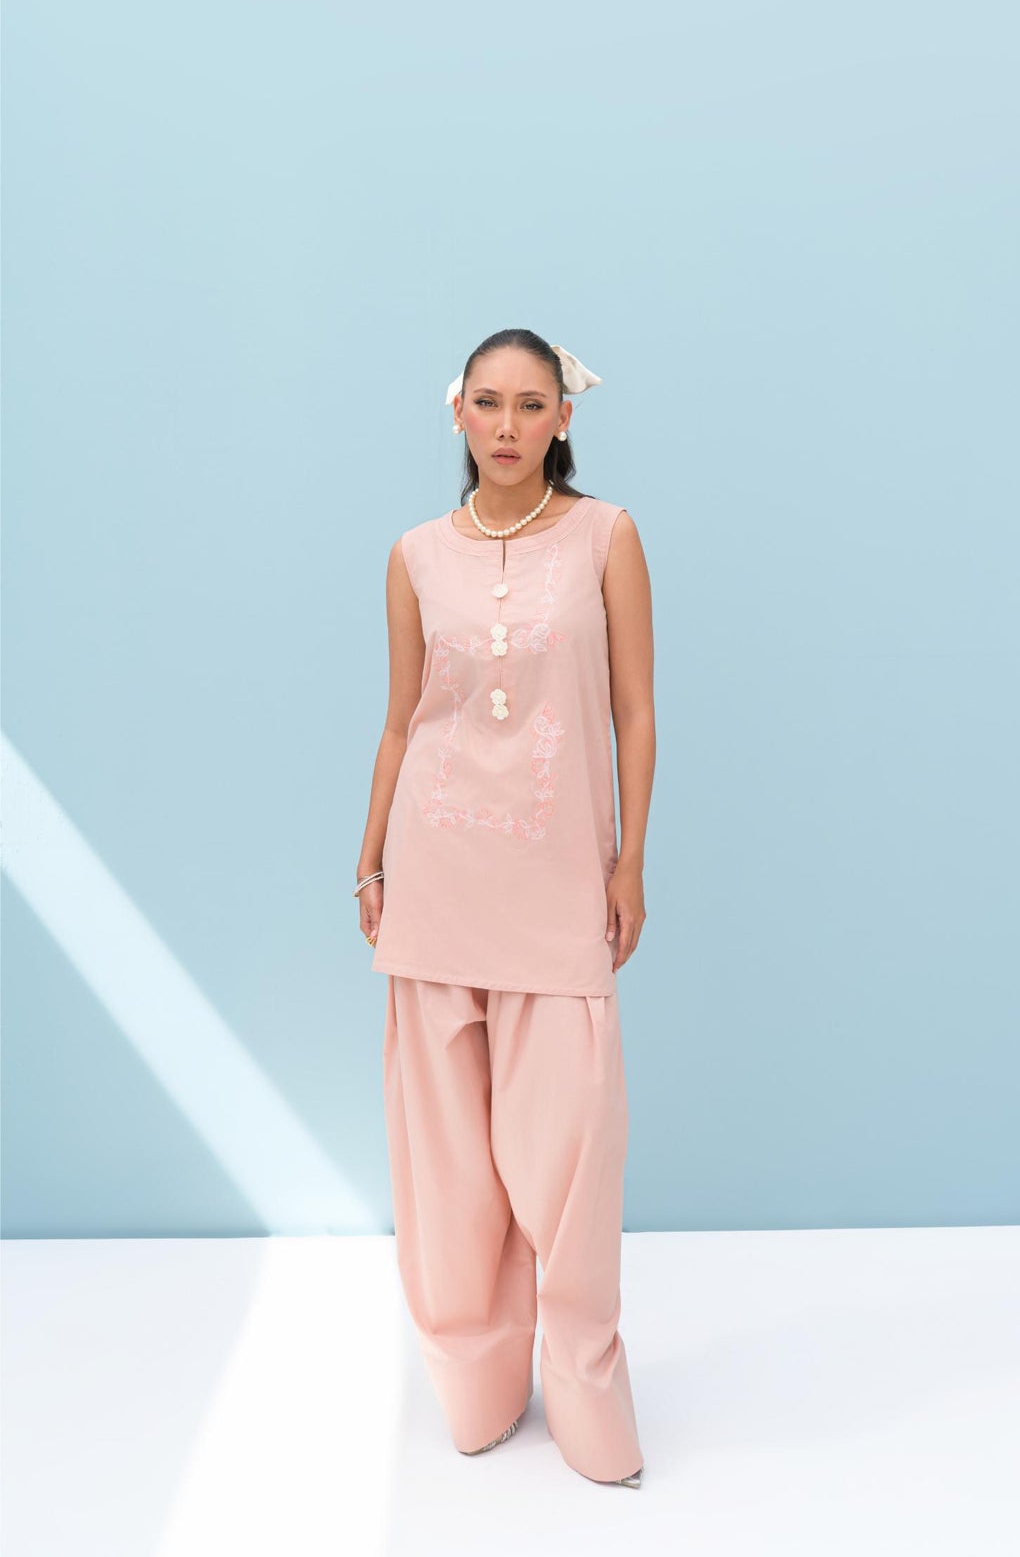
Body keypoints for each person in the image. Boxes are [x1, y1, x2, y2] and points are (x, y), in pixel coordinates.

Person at [356, 329, 655, 1488]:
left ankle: (582, 1385)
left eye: (532, 404)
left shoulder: (607, 538)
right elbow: (401, 720)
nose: (508, 426)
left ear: (564, 418)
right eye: (488, 403)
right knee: (445, 1164)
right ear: (458, 415)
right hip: (435, 877)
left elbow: (634, 712)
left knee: (568, 1153)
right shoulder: (414, 555)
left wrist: (629, 863)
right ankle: (475, 1382)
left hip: (556, 882)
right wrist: (370, 857)